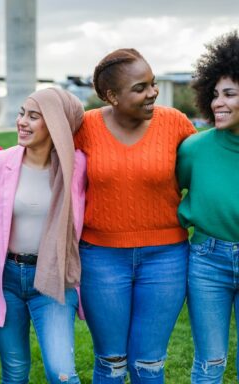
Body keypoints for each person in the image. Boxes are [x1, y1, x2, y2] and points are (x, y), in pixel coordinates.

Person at [73, 49, 196, 383]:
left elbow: (207, 166)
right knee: (111, 364)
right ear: (111, 96)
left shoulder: (175, 122)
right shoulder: (86, 127)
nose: (152, 92)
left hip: (166, 259)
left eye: (153, 84)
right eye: (140, 88)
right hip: (101, 259)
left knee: (148, 364)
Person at [0, 88, 86, 383]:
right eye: (21, 113)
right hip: (8, 277)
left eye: (34, 116)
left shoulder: (77, 166)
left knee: (61, 372)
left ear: (56, 124)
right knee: (14, 371)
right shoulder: (0, 162)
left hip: (54, 277)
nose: (22, 122)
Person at [177, 30, 239, 383]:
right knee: (210, 363)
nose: (219, 102)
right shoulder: (194, 149)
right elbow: (171, 190)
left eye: (230, 94)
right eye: (215, 94)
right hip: (207, 262)